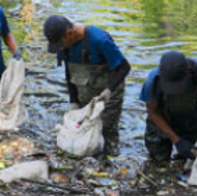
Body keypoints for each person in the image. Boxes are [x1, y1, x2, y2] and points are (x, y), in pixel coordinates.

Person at [43, 15, 131, 155]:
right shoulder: (64, 46)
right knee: (83, 129)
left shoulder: (99, 40)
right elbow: (69, 73)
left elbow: (125, 67)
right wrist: (74, 102)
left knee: (107, 132)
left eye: (60, 44)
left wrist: (108, 91)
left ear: (69, 33)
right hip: (84, 90)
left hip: (108, 95)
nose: (60, 48)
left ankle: (110, 161)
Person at [140, 51, 197, 162]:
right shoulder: (153, 81)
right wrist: (176, 140)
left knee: (194, 156)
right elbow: (153, 112)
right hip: (162, 117)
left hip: (190, 117)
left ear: (188, 72)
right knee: (158, 159)